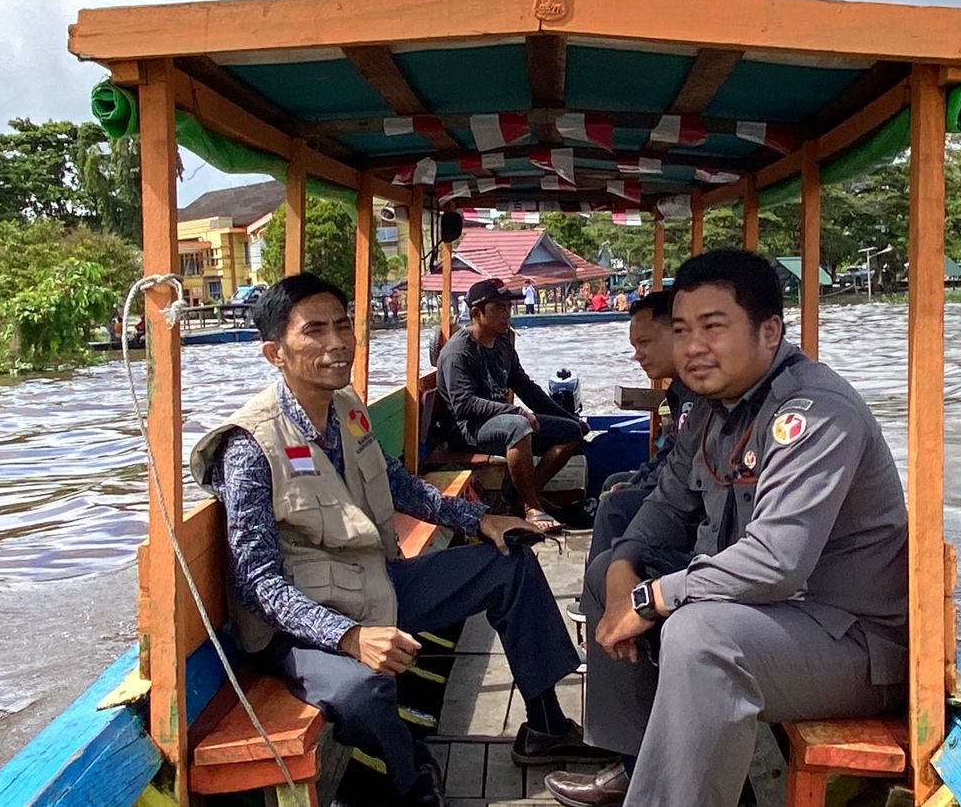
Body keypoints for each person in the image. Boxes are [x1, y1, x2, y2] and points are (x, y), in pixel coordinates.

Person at [192, 273, 607, 807]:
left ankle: (548, 726)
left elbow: (394, 481)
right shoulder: (250, 446)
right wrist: (347, 637)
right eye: (314, 331)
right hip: (297, 627)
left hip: (374, 584)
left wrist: (477, 519)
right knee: (364, 690)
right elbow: (257, 586)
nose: (337, 342)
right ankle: (412, 777)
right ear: (276, 352)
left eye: (343, 325)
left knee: (509, 563)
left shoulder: (345, 407)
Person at [546, 249, 910, 807]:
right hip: (769, 615)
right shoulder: (717, 409)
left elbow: (776, 562)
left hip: (849, 641)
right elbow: (668, 502)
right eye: (683, 329)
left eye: (713, 327)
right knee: (604, 576)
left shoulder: (813, 411)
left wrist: (650, 598)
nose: (693, 346)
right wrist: (624, 565)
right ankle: (638, 762)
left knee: (700, 637)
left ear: (769, 331)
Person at [437, 278, 588, 532]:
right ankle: (531, 507)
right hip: (467, 429)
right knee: (518, 426)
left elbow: (526, 387)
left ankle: (526, 497)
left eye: (508, 307)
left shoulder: (503, 342)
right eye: (499, 308)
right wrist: (515, 411)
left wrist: (570, 418)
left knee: (571, 432)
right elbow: (463, 405)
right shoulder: (458, 352)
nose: (506, 314)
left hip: (500, 421)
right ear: (476, 313)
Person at [587, 290, 693, 569]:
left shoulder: (698, 394)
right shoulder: (680, 390)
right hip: (679, 483)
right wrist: (636, 482)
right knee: (615, 481)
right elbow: (671, 451)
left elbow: (682, 465)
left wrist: (640, 484)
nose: (637, 356)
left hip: (693, 500)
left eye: (644, 343)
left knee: (614, 507)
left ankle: (603, 591)